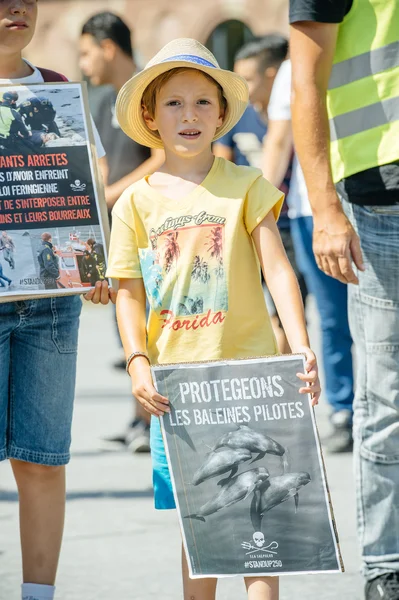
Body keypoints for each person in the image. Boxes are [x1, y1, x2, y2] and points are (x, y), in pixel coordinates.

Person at [106, 38, 321, 600]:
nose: (190, 116)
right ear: (150, 117)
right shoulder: (133, 203)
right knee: (199, 526)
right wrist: (137, 363)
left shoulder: (248, 186)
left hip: (250, 378)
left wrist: (299, 344)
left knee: (261, 527)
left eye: (203, 103)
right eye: (174, 104)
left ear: (223, 114)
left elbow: (278, 271)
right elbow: (127, 291)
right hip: (178, 388)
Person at [0, 3, 116, 600]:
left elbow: (81, 189)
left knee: (43, 461)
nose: (15, 8)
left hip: (50, 305)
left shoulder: (59, 92)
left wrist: (93, 264)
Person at [289, 1, 399, 598]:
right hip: (384, 194)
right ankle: (388, 565)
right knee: (388, 396)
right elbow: (306, 76)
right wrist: (325, 207)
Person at [79, 11, 165, 452]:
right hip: (119, 227)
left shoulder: (146, 95)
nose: (84, 62)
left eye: (86, 51)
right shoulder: (100, 100)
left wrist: (110, 193)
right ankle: (140, 419)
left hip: (151, 226)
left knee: (150, 323)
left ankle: (152, 421)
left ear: (108, 46)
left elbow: (160, 158)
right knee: (128, 326)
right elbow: (106, 163)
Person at [262, 59, 354, 453]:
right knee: (333, 317)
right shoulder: (291, 68)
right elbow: (280, 141)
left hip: (374, 198)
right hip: (311, 209)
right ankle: (343, 408)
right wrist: (257, 209)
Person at [214, 36, 307, 354]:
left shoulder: (296, 113)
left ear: (273, 76)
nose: (242, 88)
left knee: (291, 310)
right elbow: (221, 160)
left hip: (288, 224)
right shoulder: (236, 116)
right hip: (246, 222)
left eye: (248, 79)